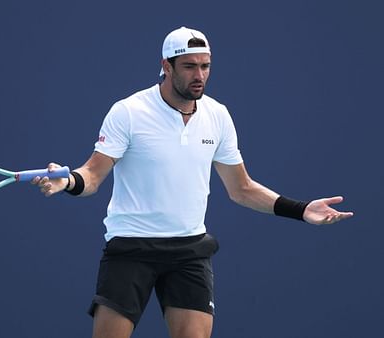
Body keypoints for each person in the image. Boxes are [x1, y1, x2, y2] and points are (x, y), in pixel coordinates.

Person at [32, 26, 353, 338]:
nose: (199, 75)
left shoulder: (218, 116)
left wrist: (301, 210)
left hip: (189, 251)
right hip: (131, 247)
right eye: (189, 66)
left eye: (205, 66)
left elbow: (241, 188)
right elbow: (92, 175)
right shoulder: (128, 112)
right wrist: (69, 181)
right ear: (166, 67)